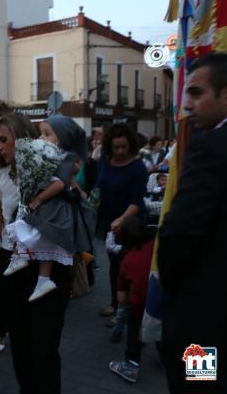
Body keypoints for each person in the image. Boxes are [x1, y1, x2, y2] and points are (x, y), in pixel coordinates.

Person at [0, 113, 73, 392]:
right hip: (11, 265)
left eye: (3, 140)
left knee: (44, 347)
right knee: (20, 344)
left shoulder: (49, 168)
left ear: (24, 139)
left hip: (49, 266)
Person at [157, 53, 227, 394]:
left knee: (198, 387)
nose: (187, 105)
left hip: (205, 317)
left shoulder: (210, 148)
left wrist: (170, 280)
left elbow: (180, 230)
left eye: (197, 93)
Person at [3, 116, 95, 302]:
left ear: (61, 139)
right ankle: (24, 260)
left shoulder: (66, 157)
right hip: (46, 204)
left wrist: (39, 197)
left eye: (47, 134)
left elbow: (60, 184)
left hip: (54, 207)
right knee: (28, 226)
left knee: (45, 237)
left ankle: (42, 278)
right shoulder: (48, 155)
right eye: (40, 133)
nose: (41, 138)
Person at [96, 124, 147, 318]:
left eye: (123, 147)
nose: (119, 151)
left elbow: (137, 201)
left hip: (131, 224)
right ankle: (115, 303)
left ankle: (129, 310)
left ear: (130, 145)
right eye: (116, 147)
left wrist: (122, 220)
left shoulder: (138, 167)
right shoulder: (104, 161)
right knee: (115, 266)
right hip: (109, 222)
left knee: (130, 267)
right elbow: (98, 188)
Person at [108, 217, 155, 384]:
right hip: (169, 303)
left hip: (142, 307)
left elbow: (121, 299)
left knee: (134, 325)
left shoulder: (128, 261)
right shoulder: (159, 246)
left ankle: (131, 366)